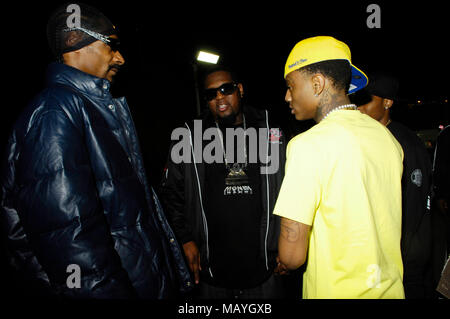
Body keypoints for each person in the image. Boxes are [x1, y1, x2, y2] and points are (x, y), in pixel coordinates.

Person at [0, 3, 191, 298]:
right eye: (111, 46)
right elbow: (69, 237)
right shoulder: (56, 112)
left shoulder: (91, 109)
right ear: (75, 43)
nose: (121, 58)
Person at [274, 36, 405, 298]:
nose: (287, 96)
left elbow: (291, 256)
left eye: (291, 85)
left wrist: (284, 259)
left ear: (317, 83)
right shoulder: (387, 139)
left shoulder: (308, 145)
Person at [159, 66, 289, 299]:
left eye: (225, 89)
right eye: (211, 94)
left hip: (264, 266)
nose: (219, 97)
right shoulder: (190, 137)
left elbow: (290, 189)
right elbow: (171, 193)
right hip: (213, 270)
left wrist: (287, 245)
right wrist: (185, 239)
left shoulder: (270, 130)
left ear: (239, 89)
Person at [356, 72, 434, 298]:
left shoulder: (405, 142)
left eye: (367, 100)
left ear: (388, 103)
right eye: (357, 100)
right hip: (379, 254)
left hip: (405, 256)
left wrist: (401, 253)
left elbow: (415, 203)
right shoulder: (368, 137)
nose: (359, 107)